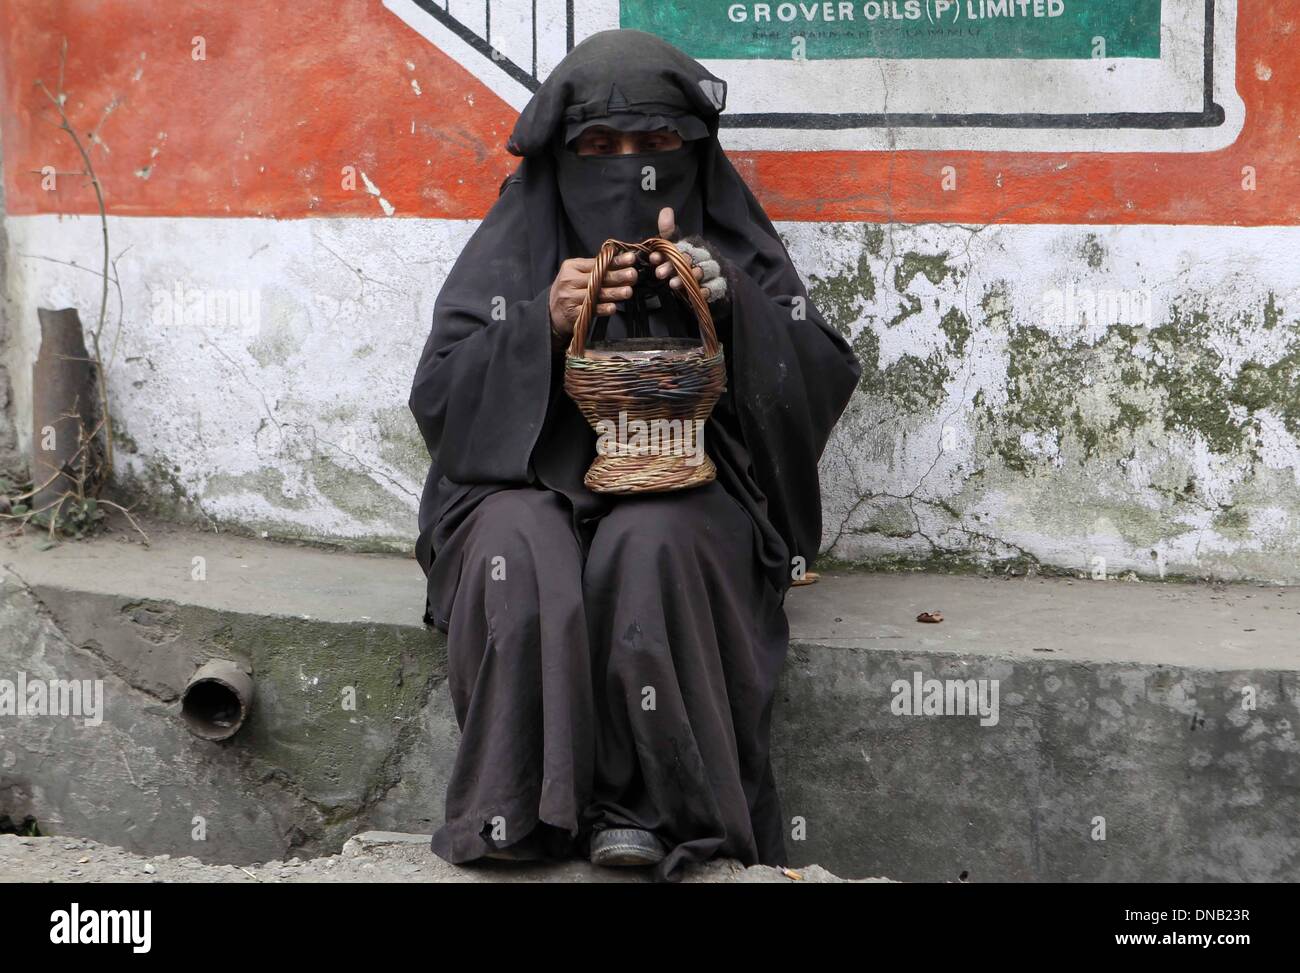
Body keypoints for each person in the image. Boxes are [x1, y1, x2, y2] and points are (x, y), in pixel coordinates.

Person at [408, 28, 861, 882]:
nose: (633, 168)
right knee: (516, 549)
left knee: (650, 544)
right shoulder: (518, 240)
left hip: (687, 485)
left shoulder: (727, 233)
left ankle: (652, 814)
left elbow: (820, 374)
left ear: (692, 151)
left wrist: (730, 304)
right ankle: (519, 811)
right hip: (520, 482)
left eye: (657, 145)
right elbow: (439, 400)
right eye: (601, 149)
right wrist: (539, 319)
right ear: (562, 155)